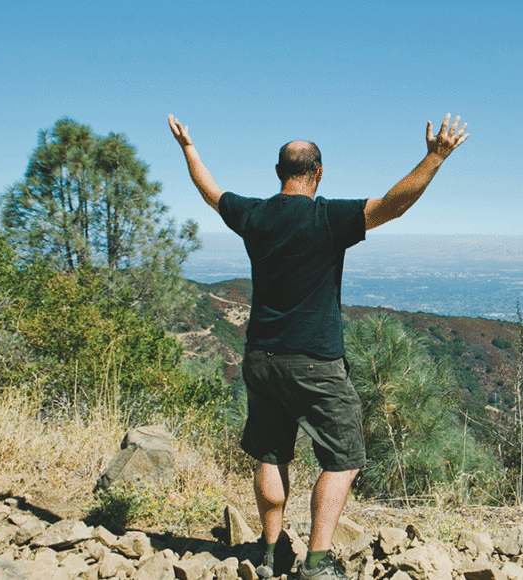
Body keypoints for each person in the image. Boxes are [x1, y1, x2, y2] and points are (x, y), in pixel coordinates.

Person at [168, 113, 469, 580]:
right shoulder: (329, 216)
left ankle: (270, 553)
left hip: (261, 358)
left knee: (271, 455)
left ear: (278, 173)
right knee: (343, 458)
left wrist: (189, 148)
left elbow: (211, 193)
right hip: (316, 362)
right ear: (319, 172)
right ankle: (316, 559)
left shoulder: (254, 214)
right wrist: (436, 156)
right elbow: (395, 204)